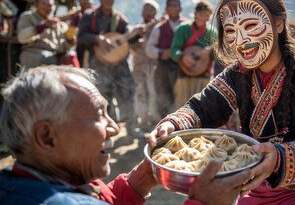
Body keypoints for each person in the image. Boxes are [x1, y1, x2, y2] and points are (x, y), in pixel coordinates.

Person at [149, 0, 295, 204]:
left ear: (278, 24)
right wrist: (173, 125)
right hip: (258, 192)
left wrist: (280, 157)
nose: (240, 41)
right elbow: (203, 107)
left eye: (250, 26)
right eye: (230, 31)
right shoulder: (238, 73)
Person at [0, 65, 252, 205]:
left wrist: (138, 181)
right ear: (46, 137)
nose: (115, 128)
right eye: (99, 115)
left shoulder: (17, 184)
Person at [77, 0, 139, 136]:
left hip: (120, 65)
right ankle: (104, 131)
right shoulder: (89, 16)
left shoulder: (120, 18)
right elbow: (81, 37)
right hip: (99, 65)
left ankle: (132, 129)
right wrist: (97, 39)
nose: (109, 0)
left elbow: (128, 37)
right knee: (102, 98)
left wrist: (136, 32)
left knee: (126, 95)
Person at [145, 0, 188, 117]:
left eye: (176, 6)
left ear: (180, 8)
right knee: (163, 97)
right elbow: (149, 48)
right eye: (170, 6)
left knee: (182, 98)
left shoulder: (188, 26)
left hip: (183, 68)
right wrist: (160, 53)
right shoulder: (159, 28)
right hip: (163, 68)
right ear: (166, 9)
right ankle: (164, 125)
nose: (173, 9)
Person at [170, 0, 217, 109]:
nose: (202, 18)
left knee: (204, 108)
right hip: (184, 75)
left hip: (204, 76)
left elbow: (216, 56)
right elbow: (174, 50)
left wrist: (210, 52)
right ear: (195, 14)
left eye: (206, 16)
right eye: (200, 14)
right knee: (181, 107)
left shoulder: (212, 33)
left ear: (209, 17)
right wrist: (182, 57)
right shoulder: (183, 29)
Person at [17, 0, 76, 70]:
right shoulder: (28, 16)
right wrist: (42, 27)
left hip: (53, 58)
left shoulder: (60, 24)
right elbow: (22, 38)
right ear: (36, 4)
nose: (48, 8)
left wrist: (70, 42)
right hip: (33, 54)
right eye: (44, 4)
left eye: (51, 5)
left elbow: (63, 46)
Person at [129, 0, 161, 129]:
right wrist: (137, 35)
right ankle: (142, 119)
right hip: (139, 66)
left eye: (151, 9)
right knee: (140, 92)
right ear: (142, 12)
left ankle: (153, 119)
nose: (148, 12)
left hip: (154, 66)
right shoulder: (137, 28)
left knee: (153, 92)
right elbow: (128, 42)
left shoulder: (159, 27)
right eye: (146, 9)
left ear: (156, 12)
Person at [70, 0, 96, 67]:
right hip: (81, 48)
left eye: (84, 3)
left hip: (95, 47)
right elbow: (72, 30)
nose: (82, 5)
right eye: (80, 3)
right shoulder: (77, 15)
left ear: (90, 1)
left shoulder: (97, 13)